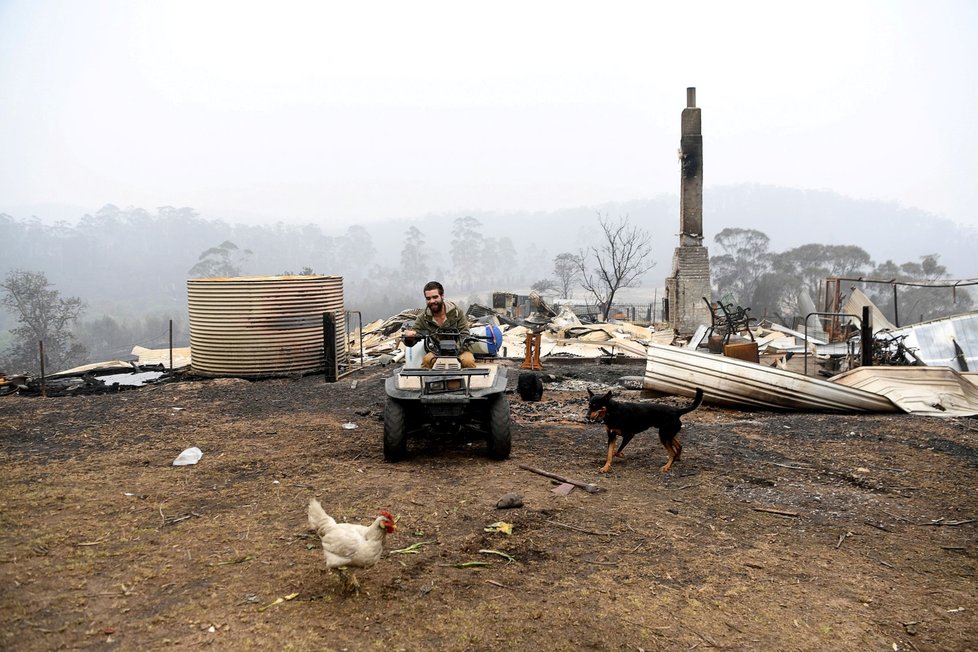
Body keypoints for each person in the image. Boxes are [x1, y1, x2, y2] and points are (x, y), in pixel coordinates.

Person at [402, 281, 477, 369]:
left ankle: (471, 382)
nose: (432, 301)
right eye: (428, 298)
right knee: (427, 361)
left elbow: (465, 334)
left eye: (435, 297)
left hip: (460, 350)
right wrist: (409, 338)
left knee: (468, 361)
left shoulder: (456, 313)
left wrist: (453, 349)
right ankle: (427, 382)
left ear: (442, 296)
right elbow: (414, 334)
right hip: (436, 351)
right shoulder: (423, 317)